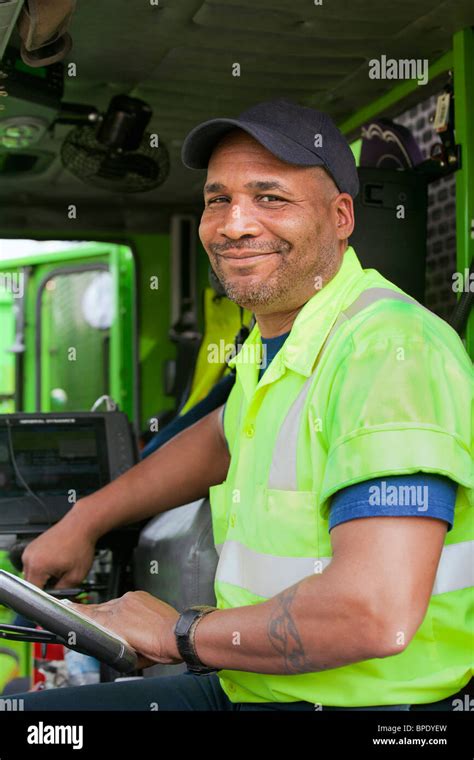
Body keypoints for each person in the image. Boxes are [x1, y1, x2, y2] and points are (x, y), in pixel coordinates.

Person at [17, 100, 472, 711]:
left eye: (271, 198)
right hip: (254, 685)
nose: (234, 224)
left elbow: (374, 614)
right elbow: (221, 438)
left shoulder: (390, 352)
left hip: (364, 707)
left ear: (340, 217)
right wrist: (84, 521)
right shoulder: (278, 339)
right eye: (216, 199)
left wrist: (179, 633)